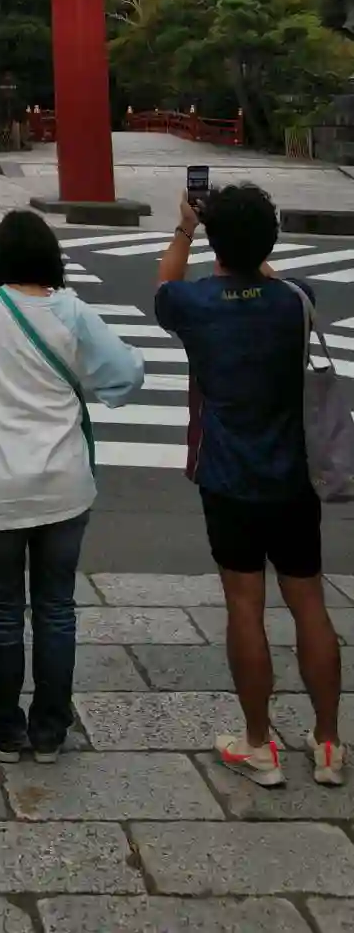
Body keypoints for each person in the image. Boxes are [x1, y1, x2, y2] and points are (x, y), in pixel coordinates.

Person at [0, 208, 145, 761]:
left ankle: (5, 728)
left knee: (1, 607)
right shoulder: (71, 311)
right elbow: (125, 377)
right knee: (56, 607)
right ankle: (50, 730)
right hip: (63, 485)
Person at [156, 181, 344, 787]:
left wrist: (185, 228)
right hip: (295, 478)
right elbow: (273, 277)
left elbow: (164, 286)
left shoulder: (194, 304)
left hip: (228, 477)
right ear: (271, 240)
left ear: (214, 241)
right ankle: (328, 744)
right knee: (309, 602)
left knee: (245, 605)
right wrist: (252, 251)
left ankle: (259, 744)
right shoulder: (296, 300)